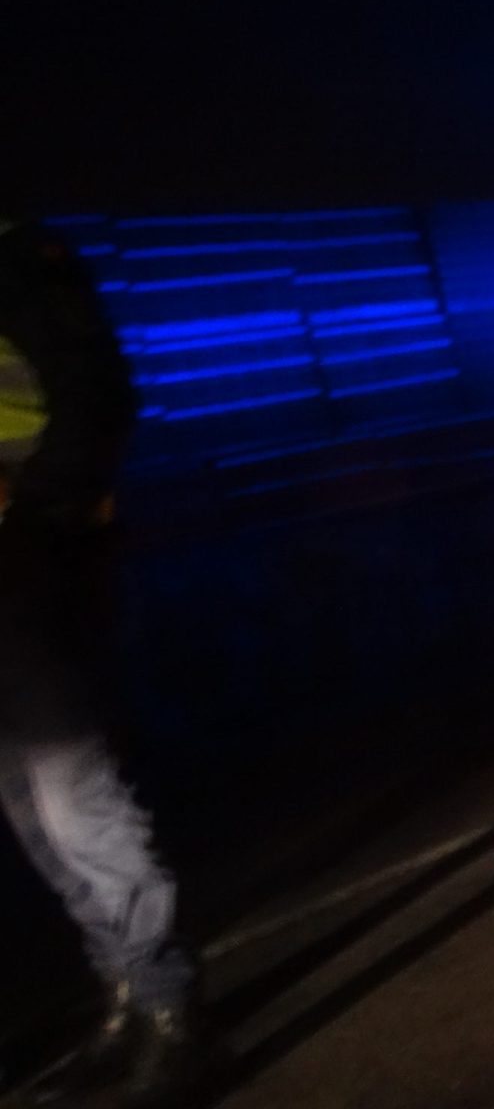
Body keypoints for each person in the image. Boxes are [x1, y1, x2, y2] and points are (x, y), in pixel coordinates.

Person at [0, 219, 209, 1106]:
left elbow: (97, 394)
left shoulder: (15, 258)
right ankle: (125, 997)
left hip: (24, 557)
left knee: (68, 790)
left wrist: (36, 520)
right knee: (25, 799)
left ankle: (171, 1015)